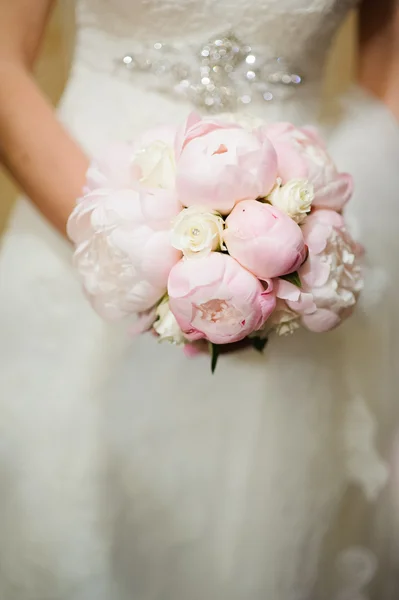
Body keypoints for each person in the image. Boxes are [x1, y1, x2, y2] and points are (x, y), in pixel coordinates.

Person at [0, 1, 398, 598]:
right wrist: (137, 255)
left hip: (295, 254)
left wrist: (317, 244)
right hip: (78, 226)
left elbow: (387, 62)